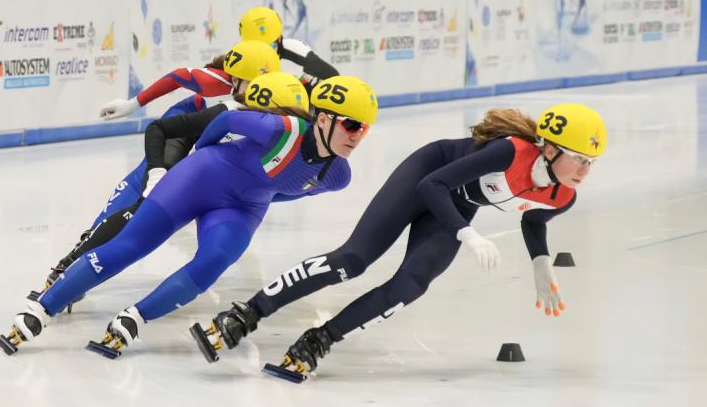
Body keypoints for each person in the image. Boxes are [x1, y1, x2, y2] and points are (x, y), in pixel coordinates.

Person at [190, 103, 607, 381]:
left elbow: (535, 221)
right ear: (549, 149)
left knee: (412, 284)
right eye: (579, 159)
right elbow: (434, 185)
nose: (584, 171)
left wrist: (541, 263)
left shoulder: (563, 194)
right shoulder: (510, 152)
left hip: (458, 207)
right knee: (352, 260)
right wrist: (467, 233)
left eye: (591, 163)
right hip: (429, 175)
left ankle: (320, 340)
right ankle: (246, 314)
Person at [0, 72, 379, 358]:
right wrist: (202, 156)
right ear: (325, 119)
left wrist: (260, 199)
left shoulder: (337, 175)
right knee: (131, 245)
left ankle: (134, 319)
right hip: (203, 175)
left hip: (243, 206)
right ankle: (40, 309)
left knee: (215, 261)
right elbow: (226, 122)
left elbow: (288, 191)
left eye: (364, 130)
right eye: (350, 124)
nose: (356, 136)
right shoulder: (281, 129)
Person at [25, 8, 338, 306]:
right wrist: (134, 104)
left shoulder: (284, 86)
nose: (253, 95)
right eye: (247, 87)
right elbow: (178, 79)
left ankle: (73, 266)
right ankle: (65, 271)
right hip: (183, 130)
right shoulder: (225, 79)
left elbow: (327, 89)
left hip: (214, 138)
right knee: (140, 202)